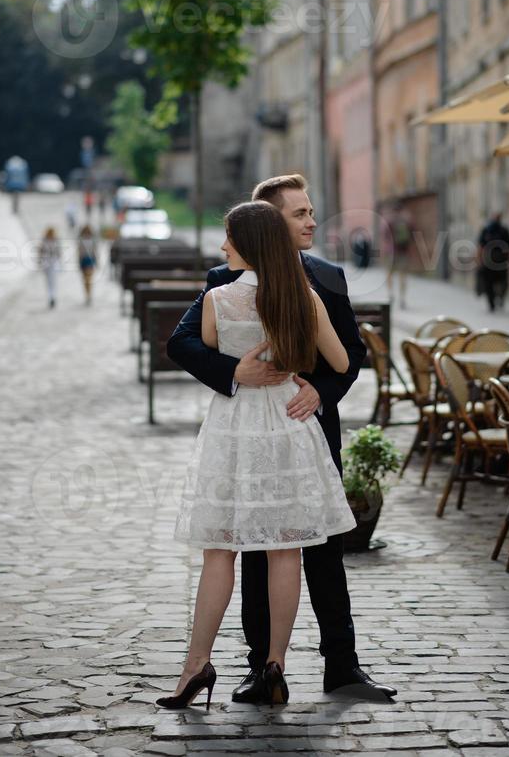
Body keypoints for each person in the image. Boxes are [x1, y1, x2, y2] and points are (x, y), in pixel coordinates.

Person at [167, 173, 397, 704]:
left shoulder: (328, 277)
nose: (312, 221)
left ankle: (343, 666)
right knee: (259, 555)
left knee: (324, 556)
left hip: (309, 429)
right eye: (299, 214)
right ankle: (261, 669)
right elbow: (182, 343)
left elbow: (351, 355)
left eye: (312, 211)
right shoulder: (222, 279)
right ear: (270, 222)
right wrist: (234, 372)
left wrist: (320, 392)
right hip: (252, 433)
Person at [478, 212, 509, 312]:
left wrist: (508, 259)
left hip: (500, 261)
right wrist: (480, 259)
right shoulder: (486, 230)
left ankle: (500, 298)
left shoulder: (504, 231)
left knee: (503, 282)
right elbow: (481, 246)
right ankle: (491, 303)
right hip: (489, 261)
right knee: (488, 283)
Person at [387, 202, 412, 309]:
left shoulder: (389, 221)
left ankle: (390, 295)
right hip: (403, 252)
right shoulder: (406, 221)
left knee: (389, 274)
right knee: (403, 276)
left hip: (391, 252)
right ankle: (402, 298)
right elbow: (413, 234)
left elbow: (385, 235)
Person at [38, 227, 61, 309]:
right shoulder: (46, 241)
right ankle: (51, 296)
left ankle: (52, 296)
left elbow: (59, 252)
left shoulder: (54, 240)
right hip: (48, 263)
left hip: (51, 263)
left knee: (51, 281)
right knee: (50, 282)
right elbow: (40, 252)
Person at [77, 224, 97, 305]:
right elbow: (79, 252)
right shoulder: (82, 240)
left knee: (88, 279)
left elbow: (95, 251)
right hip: (84, 260)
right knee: (85, 279)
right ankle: (87, 293)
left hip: (89, 260)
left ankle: (89, 294)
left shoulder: (92, 240)